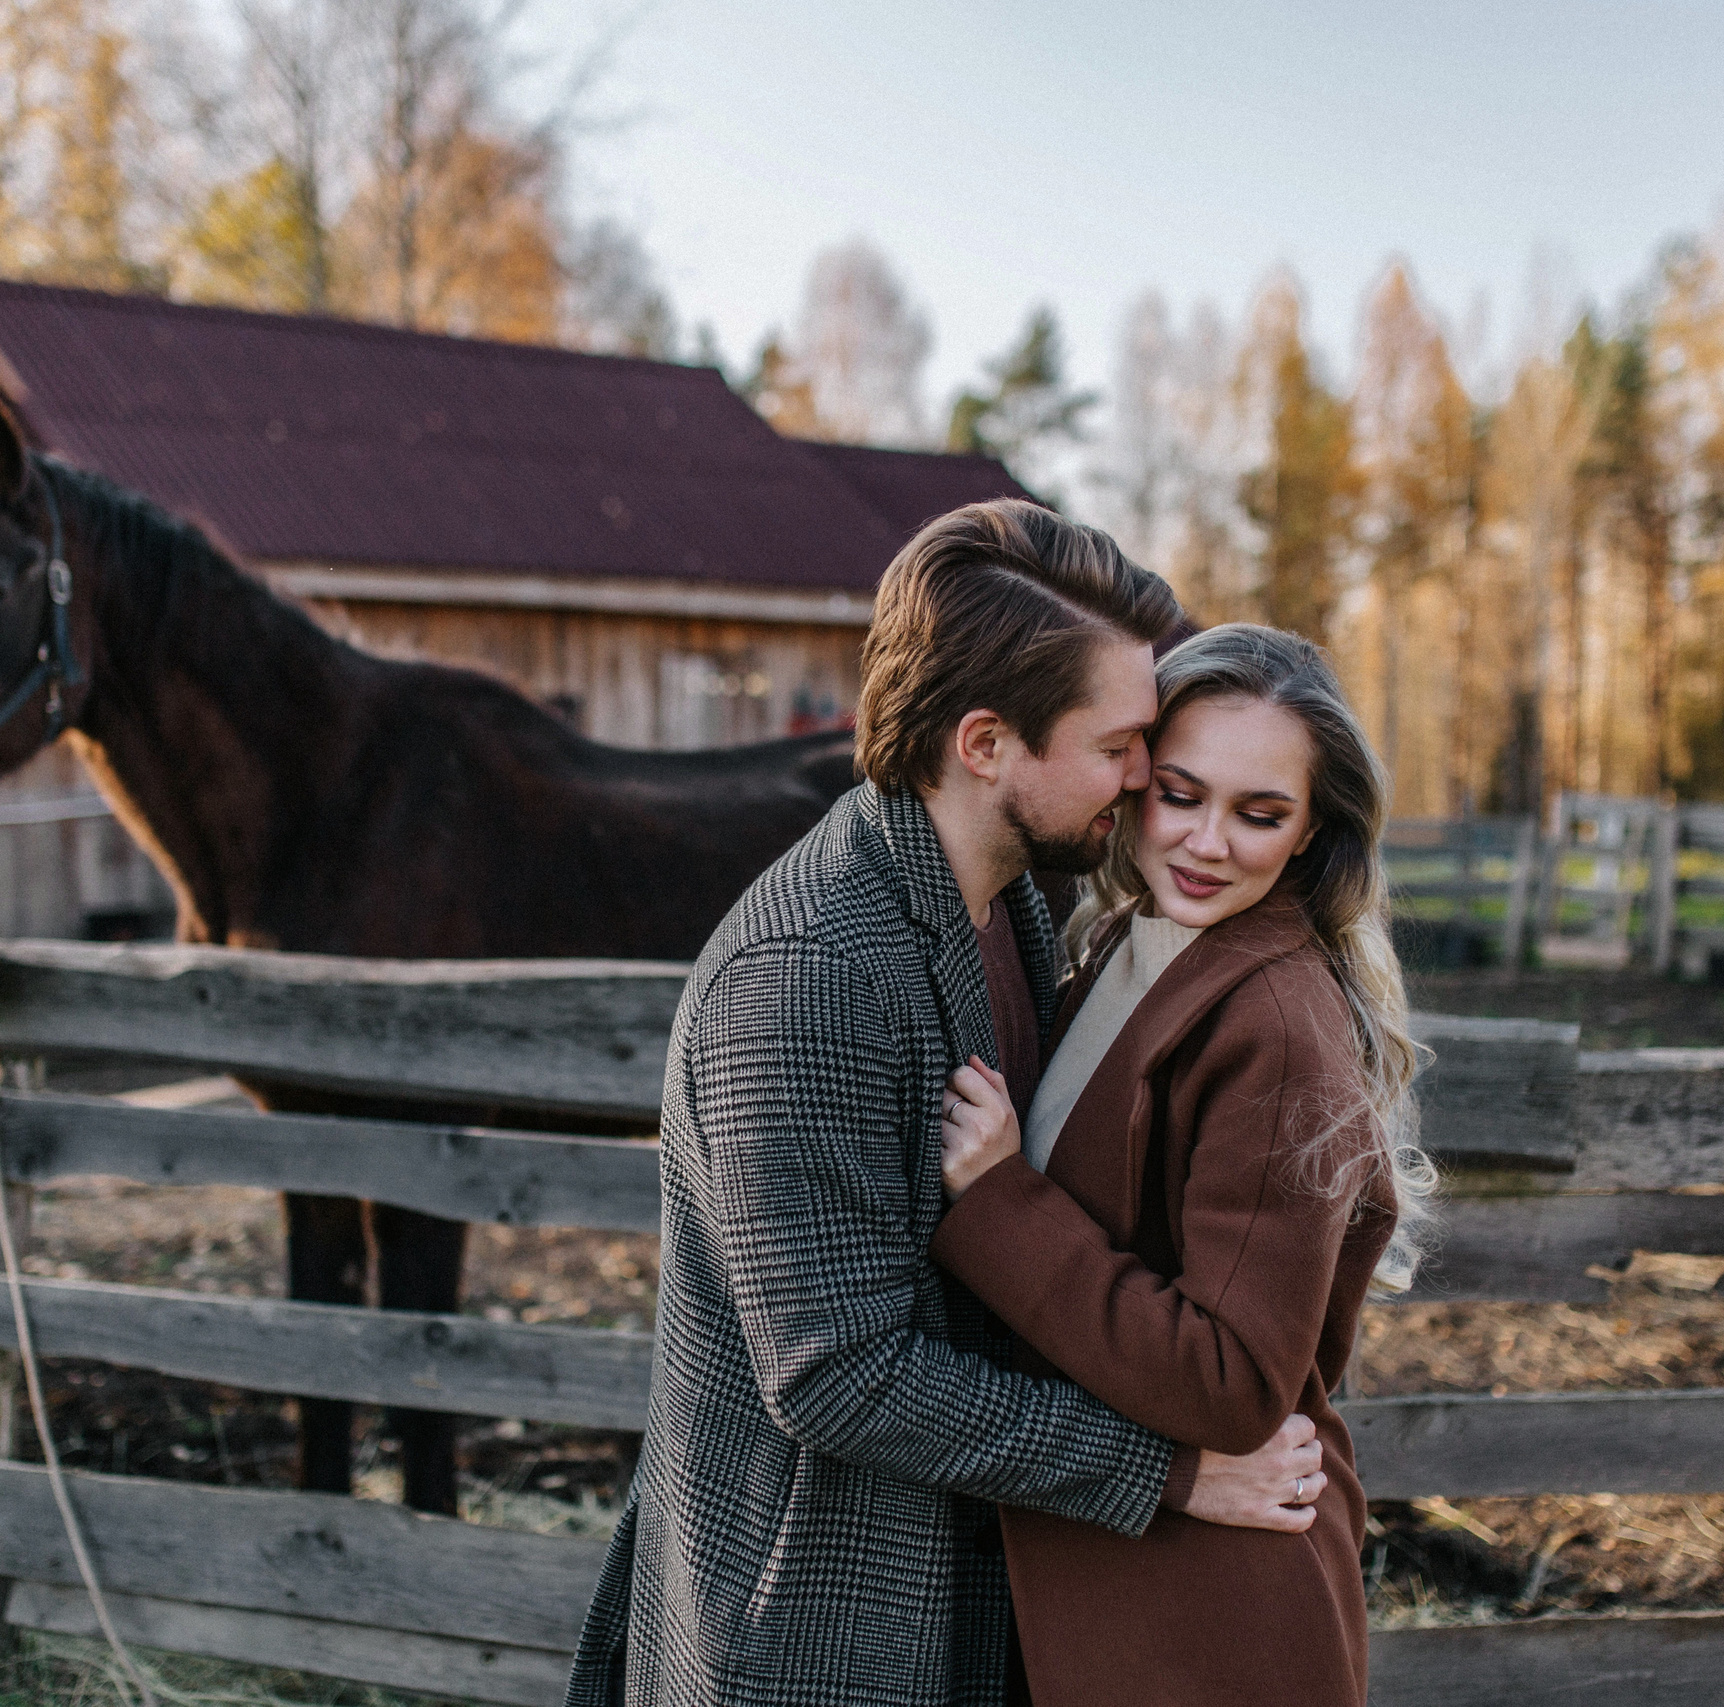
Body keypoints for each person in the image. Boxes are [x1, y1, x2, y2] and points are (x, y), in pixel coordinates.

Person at [566, 507, 1330, 1707]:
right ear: (986, 743)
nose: (1144, 779)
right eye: (1120, 744)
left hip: (965, 1597)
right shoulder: (809, 976)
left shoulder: (1017, 906)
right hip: (816, 1627)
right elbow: (841, 1376)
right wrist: (1169, 1472)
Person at [930, 622, 1433, 1706]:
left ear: (1310, 833)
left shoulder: (1276, 1029)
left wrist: (999, 1200)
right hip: (1110, 1584)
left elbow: (1235, 1381)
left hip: (1208, 1622)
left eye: (1260, 815)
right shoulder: (1131, 938)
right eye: (1181, 794)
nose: (1208, 843)